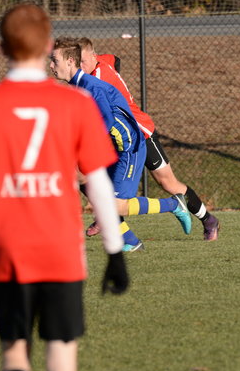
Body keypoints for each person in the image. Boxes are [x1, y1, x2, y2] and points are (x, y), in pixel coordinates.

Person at [0, 3, 129, 371]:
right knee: (62, 366)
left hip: (9, 250)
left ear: (2, 48)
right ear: (49, 45)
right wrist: (114, 253)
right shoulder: (76, 103)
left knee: (15, 355)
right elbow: (99, 184)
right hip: (61, 251)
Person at [49, 37, 192, 252]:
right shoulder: (77, 87)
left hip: (128, 147)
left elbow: (105, 122)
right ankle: (130, 241)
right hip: (113, 148)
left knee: (117, 206)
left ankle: (174, 204)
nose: (51, 65)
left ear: (70, 61)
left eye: (55, 60)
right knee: (85, 182)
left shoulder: (91, 87)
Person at [77, 37, 220, 241]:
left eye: (83, 61)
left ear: (93, 56)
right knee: (86, 175)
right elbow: (115, 59)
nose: (80, 67)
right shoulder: (101, 61)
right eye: (77, 62)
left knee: (168, 183)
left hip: (141, 132)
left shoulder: (98, 79)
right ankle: (108, 216)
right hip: (120, 137)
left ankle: (208, 220)